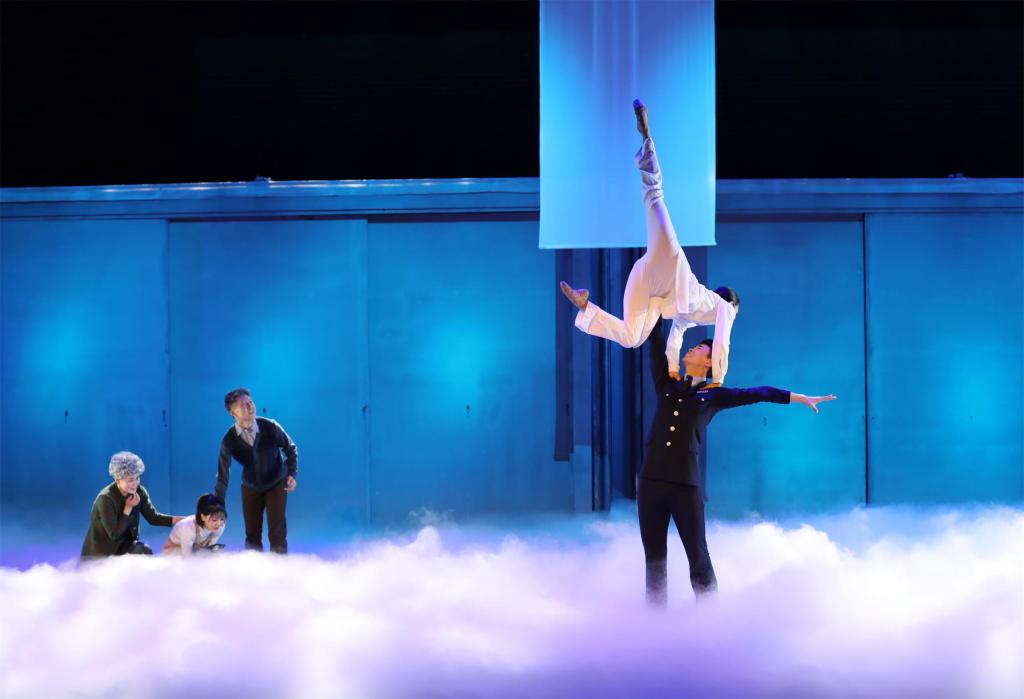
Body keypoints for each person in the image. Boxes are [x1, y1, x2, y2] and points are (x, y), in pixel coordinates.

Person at [639, 319, 835, 605]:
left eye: (699, 348)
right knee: (654, 560)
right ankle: (653, 621)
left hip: (684, 485)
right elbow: (656, 346)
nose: (691, 349)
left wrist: (798, 397)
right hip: (651, 483)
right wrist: (655, 306)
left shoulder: (713, 395)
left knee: (698, 555)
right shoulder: (666, 384)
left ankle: (711, 617)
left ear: (709, 361)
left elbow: (757, 393)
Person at [560, 99, 739, 383]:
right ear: (732, 305)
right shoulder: (724, 309)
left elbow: (676, 336)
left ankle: (585, 306)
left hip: (649, 281)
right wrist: (717, 378)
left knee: (632, 337)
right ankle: (646, 138)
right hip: (672, 270)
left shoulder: (690, 316)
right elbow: (722, 343)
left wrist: (673, 368)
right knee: (654, 197)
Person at [214, 388, 298, 553]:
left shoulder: (270, 426)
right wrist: (217, 506)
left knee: (277, 532)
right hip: (250, 486)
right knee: (252, 534)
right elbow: (222, 475)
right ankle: (254, 567)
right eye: (243, 405)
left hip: (276, 481)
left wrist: (291, 474)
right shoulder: (229, 440)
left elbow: (291, 449)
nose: (250, 406)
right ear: (233, 413)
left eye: (250, 402)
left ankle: (279, 565)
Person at [81, 451, 183, 559]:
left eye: (137, 478)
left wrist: (186, 520)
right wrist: (128, 508)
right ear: (117, 480)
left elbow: (153, 518)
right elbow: (114, 535)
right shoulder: (105, 498)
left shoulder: (139, 491)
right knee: (140, 552)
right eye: (130, 480)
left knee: (145, 551)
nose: (135, 483)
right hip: (101, 554)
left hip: (123, 547)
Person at [162, 493, 227, 556]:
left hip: (195, 549)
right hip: (172, 553)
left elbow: (208, 549)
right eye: (214, 520)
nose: (218, 524)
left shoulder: (220, 525)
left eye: (221, 519)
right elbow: (187, 557)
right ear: (203, 517)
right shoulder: (188, 527)